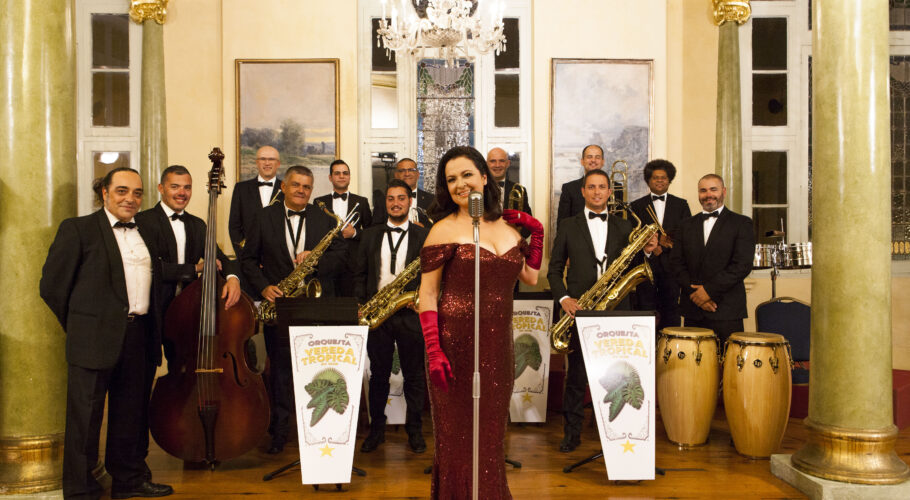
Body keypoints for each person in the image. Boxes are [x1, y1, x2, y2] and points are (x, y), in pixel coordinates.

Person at [40, 167, 174, 499]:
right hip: (93, 338)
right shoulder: (78, 229)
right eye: (122, 191)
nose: (130, 199)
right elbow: (52, 286)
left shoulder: (148, 231)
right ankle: (81, 490)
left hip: (139, 335)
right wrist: (82, 325)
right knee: (85, 421)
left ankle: (128, 481)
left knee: (131, 415)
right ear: (105, 193)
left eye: (137, 193)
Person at [418, 146, 543, 499]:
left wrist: (536, 233)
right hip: (453, 347)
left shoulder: (508, 228)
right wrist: (433, 350)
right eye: (451, 179)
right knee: (457, 439)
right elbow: (427, 294)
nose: (460, 184)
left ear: (484, 178)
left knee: (489, 439)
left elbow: (531, 277)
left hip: (497, 348)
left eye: (467, 175)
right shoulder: (442, 229)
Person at [547, 168, 658, 453]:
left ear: (610, 192)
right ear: (583, 191)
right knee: (577, 376)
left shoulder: (625, 226)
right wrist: (564, 299)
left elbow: (635, 266)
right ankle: (572, 434)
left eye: (602, 187)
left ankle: (616, 433)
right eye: (591, 187)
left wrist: (647, 250)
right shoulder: (568, 225)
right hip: (580, 309)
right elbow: (554, 270)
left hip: (618, 309)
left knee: (618, 374)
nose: (597, 192)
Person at [240, 165, 346, 454]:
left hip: (314, 305)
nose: (301, 190)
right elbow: (247, 260)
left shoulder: (324, 219)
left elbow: (341, 257)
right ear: (283, 187)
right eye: (296, 185)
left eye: (307, 187)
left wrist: (316, 259)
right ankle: (280, 431)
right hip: (280, 303)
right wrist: (264, 287)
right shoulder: (263, 217)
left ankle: (316, 432)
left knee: (315, 371)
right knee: (281, 371)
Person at [353, 179, 429, 454]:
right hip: (378, 314)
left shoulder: (425, 235)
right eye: (390, 198)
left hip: (409, 312)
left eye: (401, 198)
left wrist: (421, 298)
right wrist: (361, 305)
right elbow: (359, 273)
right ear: (385, 203)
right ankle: (377, 430)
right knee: (378, 375)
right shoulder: (369, 235)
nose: (396, 203)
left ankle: (414, 430)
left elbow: (433, 275)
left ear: (410, 202)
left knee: (414, 375)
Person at [135, 165, 242, 323]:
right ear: (161, 188)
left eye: (187, 187)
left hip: (189, 309)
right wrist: (196, 268)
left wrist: (233, 278)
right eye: (174, 187)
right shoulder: (142, 221)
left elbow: (220, 258)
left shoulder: (198, 225)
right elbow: (152, 268)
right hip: (153, 311)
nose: (182, 193)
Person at [669, 173, 754, 346]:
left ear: (724, 191)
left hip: (727, 310)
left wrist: (708, 292)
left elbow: (742, 265)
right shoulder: (685, 225)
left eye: (713, 189)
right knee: (693, 362)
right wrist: (696, 296)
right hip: (693, 309)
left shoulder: (742, 223)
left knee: (727, 361)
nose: (708, 194)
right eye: (703, 190)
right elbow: (676, 263)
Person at [629, 159, 692, 330]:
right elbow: (632, 236)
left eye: (663, 178)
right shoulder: (636, 206)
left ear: (669, 180)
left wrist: (662, 247)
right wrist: (650, 248)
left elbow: (686, 235)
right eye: (655, 178)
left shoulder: (681, 205)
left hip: (672, 269)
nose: (659, 181)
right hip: (646, 268)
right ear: (648, 181)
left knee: (671, 314)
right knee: (645, 314)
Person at [313, 159, 373, 297]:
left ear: (349, 177)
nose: (342, 176)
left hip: (353, 263)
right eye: (337, 173)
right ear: (330, 177)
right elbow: (314, 231)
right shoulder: (319, 202)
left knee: (350, 303)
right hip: (327, 261)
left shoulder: (362, 201)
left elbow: (372, 233)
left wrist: (355, 233)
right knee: (328, 301)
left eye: (345, 173)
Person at [228, 145, 284, 256]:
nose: (267, 163)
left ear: (278, 164)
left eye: (271, 159)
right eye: (263, 159)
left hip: (279, 258)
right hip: (248, 257)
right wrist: (245, 257)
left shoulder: (287, 189)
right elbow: (234, 226)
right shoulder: (241, 188)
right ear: (257, 162)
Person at [373, 158, 433, 227]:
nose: (407, 174)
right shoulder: (382, 201)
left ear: (418, 174)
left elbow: (438, 226)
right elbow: (375, 228)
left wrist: (423, 229)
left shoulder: (432, 200)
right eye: (402, 171)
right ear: (396, 175)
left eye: (411, 170)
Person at [487, 147, 532, 237]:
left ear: (508, 163)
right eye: (493, 161)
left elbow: (528, 223)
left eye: (501, 161)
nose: (497, 165)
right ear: (486, 164)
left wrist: (517, 239)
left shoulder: (519, 190)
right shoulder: (478, 189)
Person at [556, 144, 604, 230]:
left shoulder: (616, 188)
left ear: (603, 162)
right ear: (582, 161)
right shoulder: (569, 189)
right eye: (589, 157)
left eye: (597, 157)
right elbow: (562, 225)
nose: (593, 160)